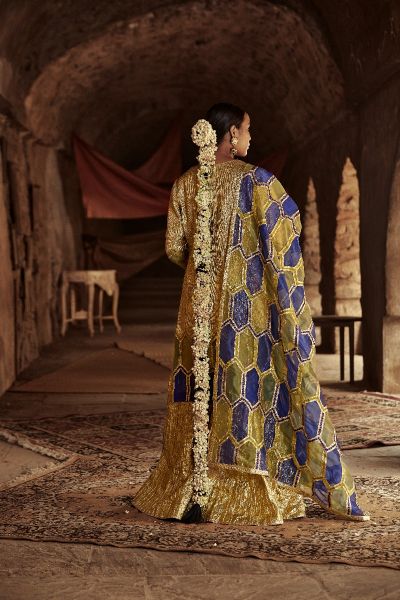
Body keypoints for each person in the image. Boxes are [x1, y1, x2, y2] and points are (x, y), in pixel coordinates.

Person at [133, 103, 370, 525]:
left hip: (195, 310)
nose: (250, 138)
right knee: (240, 381)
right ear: (229, 136)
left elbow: (173, 248)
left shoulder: (184, 184)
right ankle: (241, 486)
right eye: (246, 130)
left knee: (195, 387)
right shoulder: (257, 181)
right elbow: (285, 229)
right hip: (241, 312)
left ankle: (188, 485)